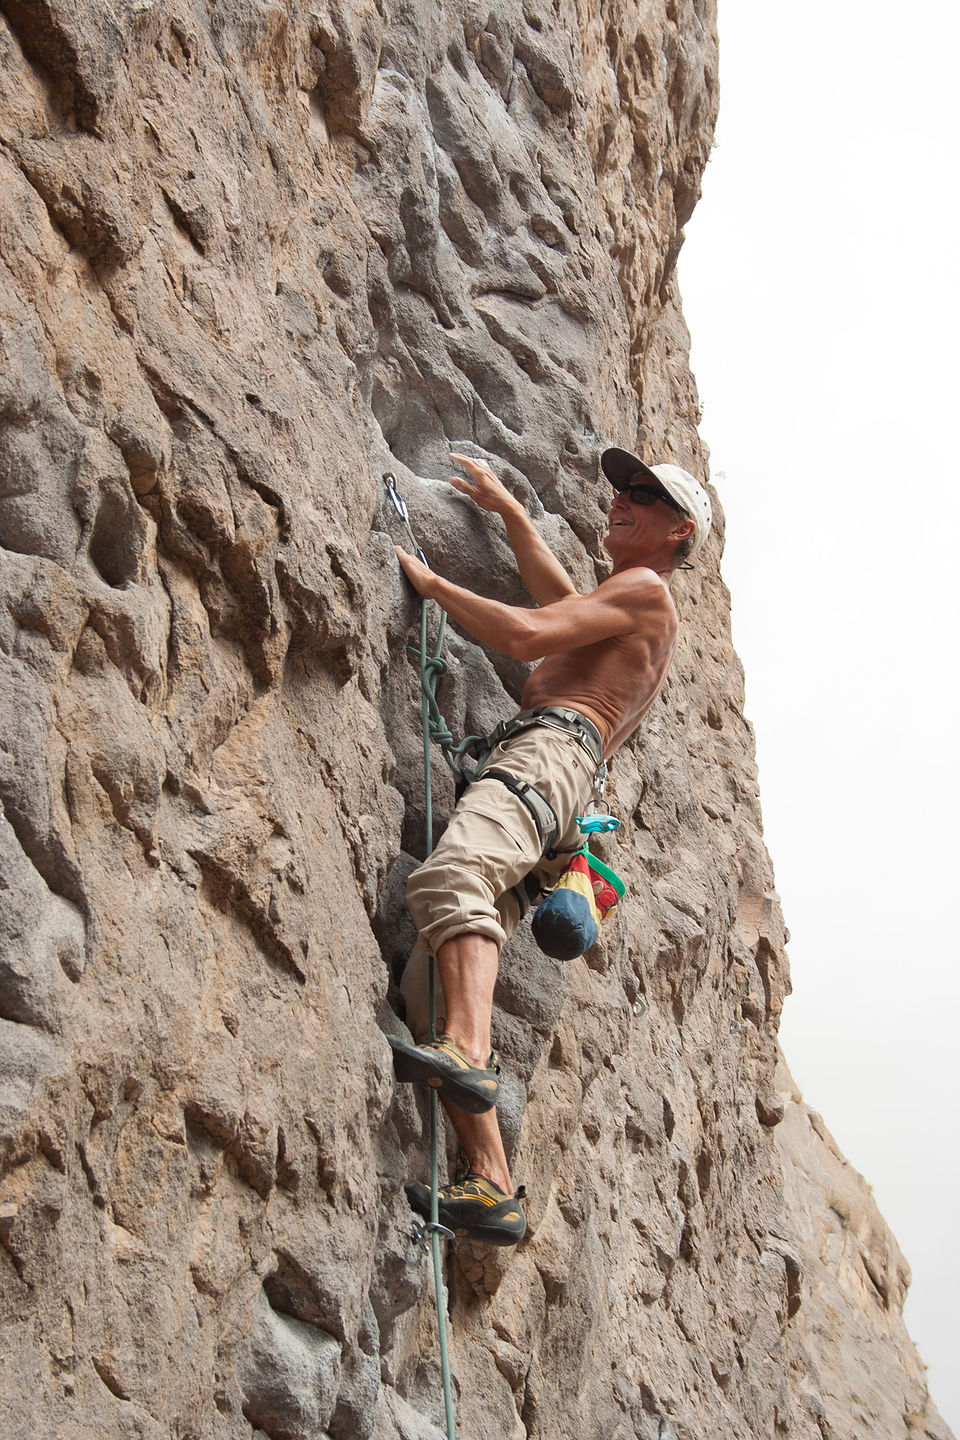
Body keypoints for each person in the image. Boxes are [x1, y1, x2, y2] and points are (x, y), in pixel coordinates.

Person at [389, 448, 712, 1245]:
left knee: (452, 878)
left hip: (547, 758)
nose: (620, 500)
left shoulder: (644, 590)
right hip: (568, 794)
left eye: (643, 495)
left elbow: (532, 634)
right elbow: (558, 601)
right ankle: (491, 1182)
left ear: (680, 531)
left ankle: (467, 1048)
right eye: (621, 488)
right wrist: (508, 512)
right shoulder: (629, 606)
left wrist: (432, 586)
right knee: (431, 982)